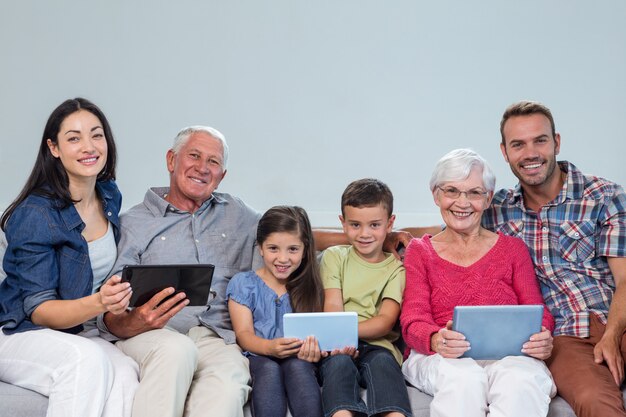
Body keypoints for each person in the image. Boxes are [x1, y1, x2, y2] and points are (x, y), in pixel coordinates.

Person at [97, 125, 259, 417]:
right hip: (152, 333)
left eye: (213, 162)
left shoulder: (238, 213)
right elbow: (106, 305)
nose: (202, 168)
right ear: (171, 160)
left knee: (226, 389)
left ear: (222, 176)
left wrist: (357, 235)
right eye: (194, 156)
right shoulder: (133, 222)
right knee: (175, 352)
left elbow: (291, 233)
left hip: (216, 338)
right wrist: (132, 322)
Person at [482, 101, 626, 417]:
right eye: (518, 144)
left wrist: (613, 335)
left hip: (618, 318)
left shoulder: (602, 195)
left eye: (540, 140)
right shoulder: (496, 210)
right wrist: (395, 236)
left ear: (556, 142)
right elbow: (449, 222)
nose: (530, 153)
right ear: (505, 152)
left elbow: (625, 279)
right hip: (564, 336)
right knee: (595, 402)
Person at [0, 98, 139, 417]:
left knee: (124, 374)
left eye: (96, 134)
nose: (89, 146)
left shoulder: (108, 195)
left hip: (75, 330)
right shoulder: (36, 214)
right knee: (84, 361)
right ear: (54, 148)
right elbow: (40, 311)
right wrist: (102, 302)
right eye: (74, 138)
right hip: (18, 332)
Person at [400, 149, 556, 417]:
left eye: (474, 193)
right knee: (464, 380)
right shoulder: (420, 250)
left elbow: (537, 312)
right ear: (436, 195)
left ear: (488, 199)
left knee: (520, 381)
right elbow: (413, 319)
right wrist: (436, 339)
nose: (462, 202)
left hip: (509, 356)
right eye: (451, 191)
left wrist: (542, 336)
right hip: (441, 357)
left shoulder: (513, 249)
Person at [320, 178, 412, 417]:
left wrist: (342, 330)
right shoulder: (335, 257)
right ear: (342, 223)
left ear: (390, 224)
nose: (364, 234)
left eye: (374, 225)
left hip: (378, 345)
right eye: (355, 225)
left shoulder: (397, 268)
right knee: (338, 365)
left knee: (383, 364)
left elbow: (384, 321)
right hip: (338, 346)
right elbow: (333, 307)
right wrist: (339, 339)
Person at [227, 205, 325, 417]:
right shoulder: (244, 283)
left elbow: (321, 332)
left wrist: (314, 350)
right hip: (260, 354)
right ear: (260, 248)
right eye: (273, 249)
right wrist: (269, 347)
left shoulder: (311, 284)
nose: (283, 259)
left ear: (305, 249)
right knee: (268, 370)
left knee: (298, 368)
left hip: (299, 358)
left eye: (293, 249)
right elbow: (244, 335)